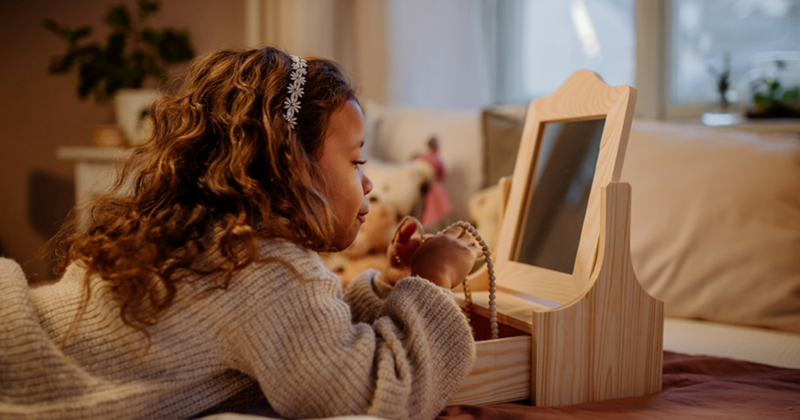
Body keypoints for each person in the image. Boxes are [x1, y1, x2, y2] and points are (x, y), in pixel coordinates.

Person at [0, 47, 480, 420]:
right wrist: (432, 281)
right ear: (291, 164)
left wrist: (389, 287)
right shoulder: (266, 267)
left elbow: (303, 340)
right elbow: (376, 396)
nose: (368, 182)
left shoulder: (219, 241)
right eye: (356, 160)